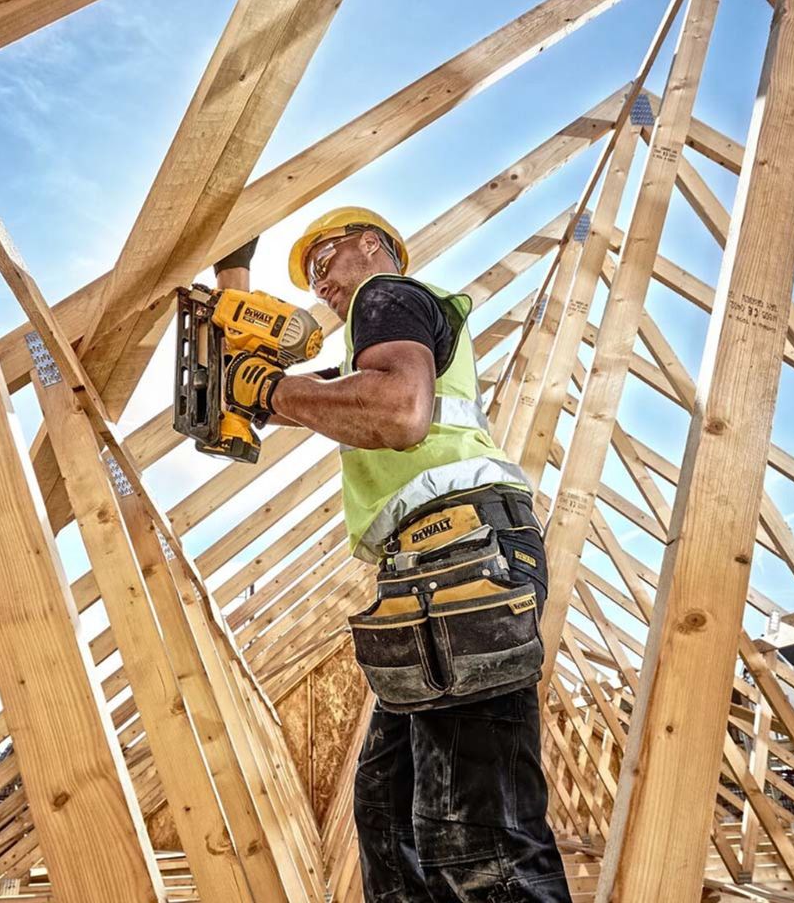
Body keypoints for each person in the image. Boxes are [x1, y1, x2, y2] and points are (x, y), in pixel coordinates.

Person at [220, 209, 571, 903]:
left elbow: (401, 410)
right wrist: (267, 384)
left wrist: (266, 389)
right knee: (389, 819)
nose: (320, 282)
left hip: (464, 557)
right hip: (427, 573)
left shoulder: (387, 297)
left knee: (476, 837)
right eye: (312, 273)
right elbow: (344, 396)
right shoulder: (369, 343)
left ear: (371, 245)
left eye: (325, 260)